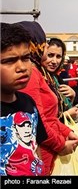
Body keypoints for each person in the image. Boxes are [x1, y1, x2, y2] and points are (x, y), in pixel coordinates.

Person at [17, 21, 78, 175]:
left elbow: (48, 113)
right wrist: (61, 144)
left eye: (59, 56)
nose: (54, 60)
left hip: (48, 147)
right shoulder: (31, 73)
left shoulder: (48, 76)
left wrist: (65, 131)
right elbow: (38, 120)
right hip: (41, 151)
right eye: (46, 47)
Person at [0, 22, 48, 176]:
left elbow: (35, 149)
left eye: (26, 58)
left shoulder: (28, 102)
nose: (21, 67)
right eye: (9, 61)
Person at [44, 38, 78, 120]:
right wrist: (65, 115)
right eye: (50, 55)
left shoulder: (56, 79)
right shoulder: (38, 78)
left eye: (58, 56)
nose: (54, 61)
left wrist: (72, 95)